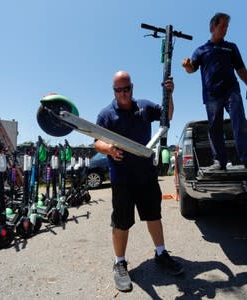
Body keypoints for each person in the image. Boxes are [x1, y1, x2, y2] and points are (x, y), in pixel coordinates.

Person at [94, 70, 184, 292]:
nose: (123, 93)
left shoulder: (144, 106)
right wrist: (109, 149)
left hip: (146, 175)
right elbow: (96, 142)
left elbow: (168, 116)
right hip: (122, 179)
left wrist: (169, 94)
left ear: (132, 88)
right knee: (122, 221)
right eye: (118, 90)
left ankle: (161, 254)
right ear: (113, 91)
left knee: (153, 215)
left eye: (126, 89)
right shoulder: (106, 114)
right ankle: (119, 262)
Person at [182, 12, 247, 170]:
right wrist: (187, 66)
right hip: (212, 95)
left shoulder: (231, 47)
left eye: (227, 27)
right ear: (212, 27)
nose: (225, 29)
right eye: (222, 26)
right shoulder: (201, 50)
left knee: (239, 119)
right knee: (215, 128)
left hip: (231, 90)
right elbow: (192, 68)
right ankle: (219, 161)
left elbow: (240, 68)